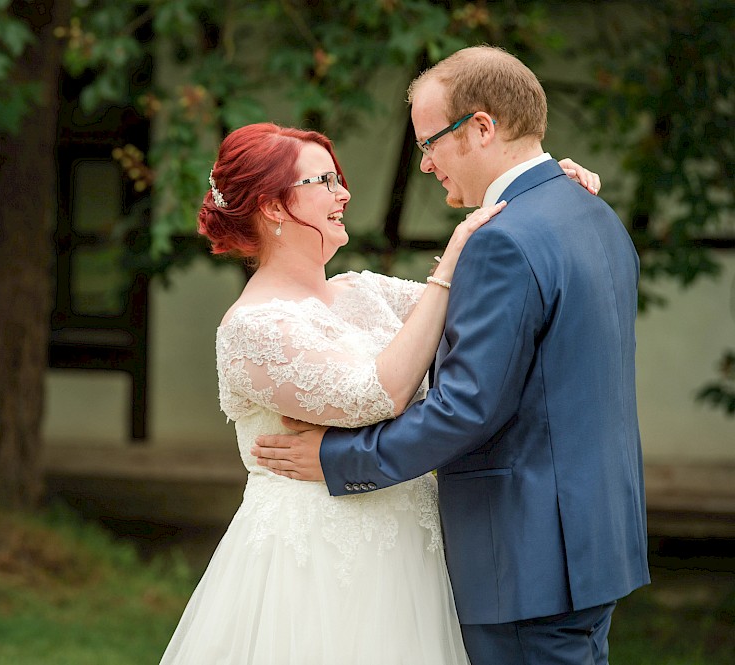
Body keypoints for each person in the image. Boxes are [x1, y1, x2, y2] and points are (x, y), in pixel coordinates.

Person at [252, 46, 649, 665]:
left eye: (430, 142)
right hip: (592, 543)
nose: (427, 163)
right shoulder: (592, 214)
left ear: (482, 127)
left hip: (526, 559)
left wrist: (337, 457)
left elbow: (467, 409)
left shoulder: (505, 241)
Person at [160, 119, 601, 664]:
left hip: (411, 552)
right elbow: (376, 395)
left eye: (338, 177)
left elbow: (489, 298)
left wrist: (543, 197)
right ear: (273, 207)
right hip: (313, 565)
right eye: (322, 182)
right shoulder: (252, 329)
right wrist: (455, 249)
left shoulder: (364, 291)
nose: (343, 192)